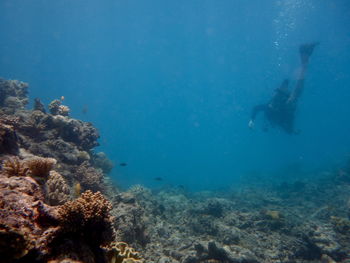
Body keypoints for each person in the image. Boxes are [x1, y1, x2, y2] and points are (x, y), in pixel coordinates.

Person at [248, 43, 318, 134]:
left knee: (293, 97)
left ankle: (304, 62)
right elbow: (289, 128)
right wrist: (293, 131)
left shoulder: (272, 112)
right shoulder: (280, 119)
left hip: (284, 102)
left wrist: (252, 120)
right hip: (285, 102)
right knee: (293, 97)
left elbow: (256, 108)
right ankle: (304, 60)